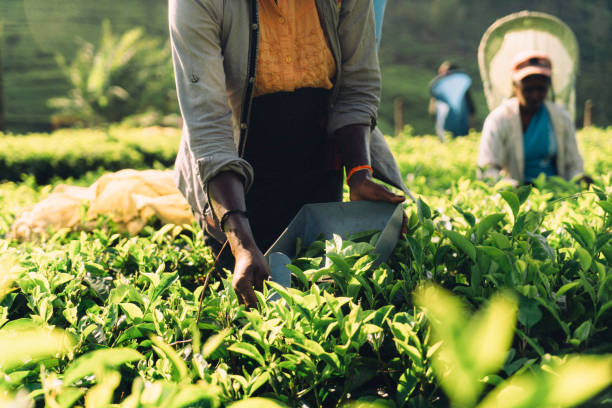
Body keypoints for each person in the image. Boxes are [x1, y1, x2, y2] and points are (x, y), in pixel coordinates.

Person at [169, 0, 409, 308]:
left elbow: (357, 85)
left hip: (316, 159)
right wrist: (241, 243)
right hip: (233, 177)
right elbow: (209, 126)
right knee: (249, 305)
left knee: (322, 298)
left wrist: (359, 172)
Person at [478, 51, 589, 185]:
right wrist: (514, 188)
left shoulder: (561, 117)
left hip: (557, 191)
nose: (535, 95)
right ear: (515, 86)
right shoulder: (500, 119)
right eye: (528, 89)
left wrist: (579, 179)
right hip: (518, 195)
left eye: (541, 89)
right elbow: (487, 170)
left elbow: (573, 165)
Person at [428, 61, 476, 141]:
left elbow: (471, 110)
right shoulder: (440, 92)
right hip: (452, 130)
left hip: (457, 129)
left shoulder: (441, 90)